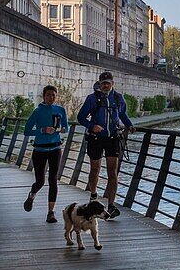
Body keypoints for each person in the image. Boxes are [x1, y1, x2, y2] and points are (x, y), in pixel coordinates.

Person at [76, 71, 135, 218]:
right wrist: (92, 126)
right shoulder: (92, 98)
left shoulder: (118, 98)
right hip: (96, 138)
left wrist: (129, 125)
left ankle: (111, 205)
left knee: (112, 172)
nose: (106, 85)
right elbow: (81, 117)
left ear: (112, 83)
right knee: (95, 169)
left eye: (108, 83)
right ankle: (94, 195)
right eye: (103, 83)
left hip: (112, 138)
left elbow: (122, 114)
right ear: (100, 84)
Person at [23, 85, 69, 223]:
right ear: (44, 96)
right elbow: (26, 131)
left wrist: (59, 129)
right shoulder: (38, 111)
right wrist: (43, 130)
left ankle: (51, 212)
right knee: (40, 181)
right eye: (48, 95)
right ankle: (32, 195)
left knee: (53, 179)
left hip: (55, 148)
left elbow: (65, 127)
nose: (51, 97)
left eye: (53, 95)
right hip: (40, 150)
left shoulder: (61, 110)